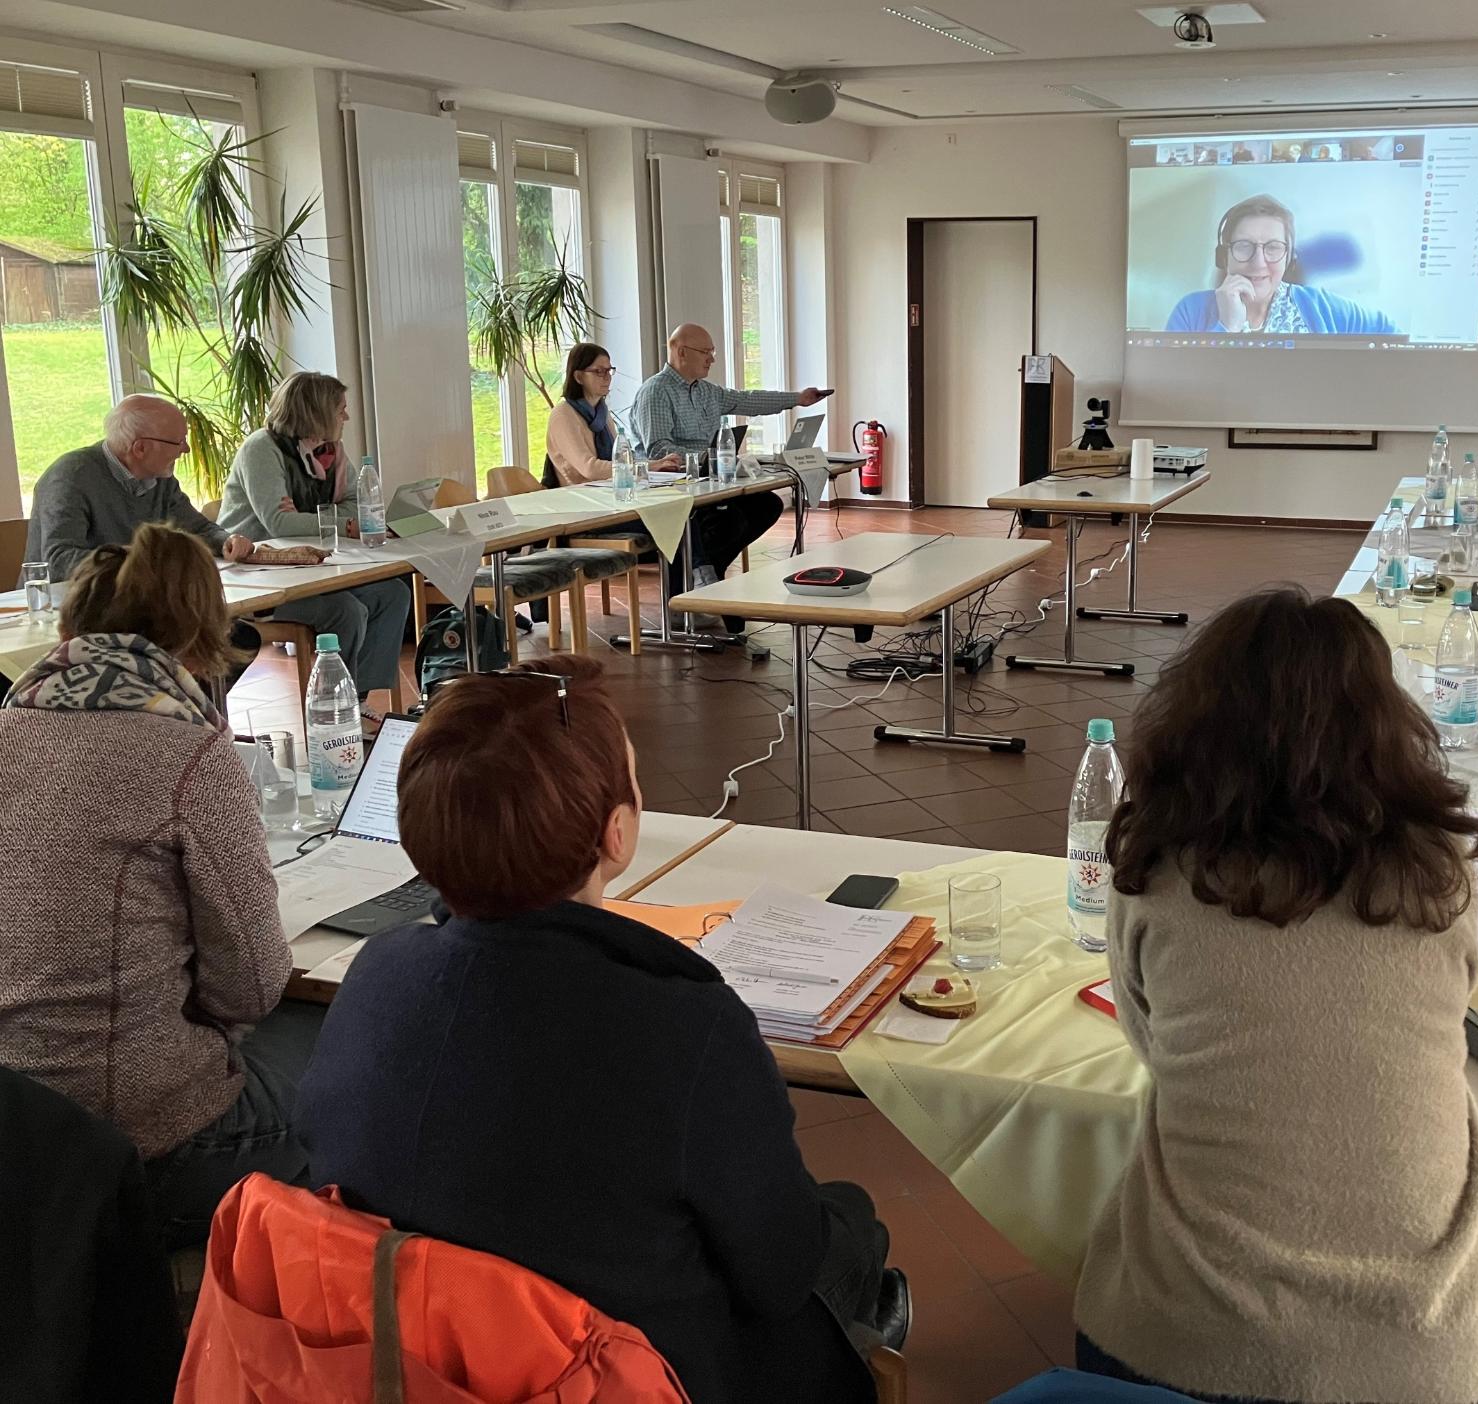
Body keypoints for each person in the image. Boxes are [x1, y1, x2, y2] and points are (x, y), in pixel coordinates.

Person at [297, 657, 903, 1403]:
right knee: (850, 1229)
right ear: (618, 834)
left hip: (411, 1367)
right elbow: (778, 1274)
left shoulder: (376, 977)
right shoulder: (682, 1026)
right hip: (622, 1377)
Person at [1074, 589, 1478, 1404]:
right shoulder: (1440, 877)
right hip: (1439, 1360)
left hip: (1184, 1348)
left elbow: (1153, 1048)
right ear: (1386, 725)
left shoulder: (1156, 874)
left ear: (1195, 721)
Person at [0, 524, 319, 1248]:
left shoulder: (8, 727)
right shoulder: (187, 752)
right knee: (361, 1051)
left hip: (14, 1126)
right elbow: (255, 985)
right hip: (136, 1147)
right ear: (198, 635)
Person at [23, 394, 303, 683]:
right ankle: (175, 718)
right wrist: (145, 561)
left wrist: (226, 540)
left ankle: (192, 720)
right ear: (140, 447)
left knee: (228, 640)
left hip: (141, 609)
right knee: (210, 644)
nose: (186, 449)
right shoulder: (71, 477)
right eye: (178, 441)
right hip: (84, 615)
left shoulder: (161, 479)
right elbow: (58, 562)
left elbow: (197, 527)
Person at [217, 371, 411, 718]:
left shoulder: (327, 451)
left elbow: (358, 505)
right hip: (258, 575)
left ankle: (358, 696)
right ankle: (332, 709)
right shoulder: (261, 448)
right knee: (347, 611)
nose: (346, 417)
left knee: (393, 594)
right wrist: (335, 520)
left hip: (314, 564)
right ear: (316, 412)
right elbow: (280, 524)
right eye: (340, 409)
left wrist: (316, 516)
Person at [630, 324, 833, 624]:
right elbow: (659, 449)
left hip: (709, 481)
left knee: (766, 505)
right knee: (733, 518)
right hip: (672, 490)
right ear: (680, 351)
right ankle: (698, 585)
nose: (712, 359)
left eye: (713, 352)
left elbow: (749, 400)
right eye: (706, 352)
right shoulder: (656, 392)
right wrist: (708, 457)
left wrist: (798, 399)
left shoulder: (707, 391)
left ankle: (709, 570)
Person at [1164, 195, 1398, 335]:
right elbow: (1179, 393)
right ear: (1224, 257)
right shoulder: (1189, 311)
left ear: (1290, 258)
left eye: (1273, 247)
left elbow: (1392, 336)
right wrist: (1226, 327)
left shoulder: (1323, 308)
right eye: (1244, 246)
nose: (1258, 262)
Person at [542, 341, 676, 488]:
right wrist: (648, 467)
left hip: (608, 490)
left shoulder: (602, 411)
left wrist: (657, 464)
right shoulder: (563, 415)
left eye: (609, 370)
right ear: (579, 377)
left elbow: (621, 460)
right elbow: (589, 468)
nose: (607, 377)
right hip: (578, 496)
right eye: (599, 371)